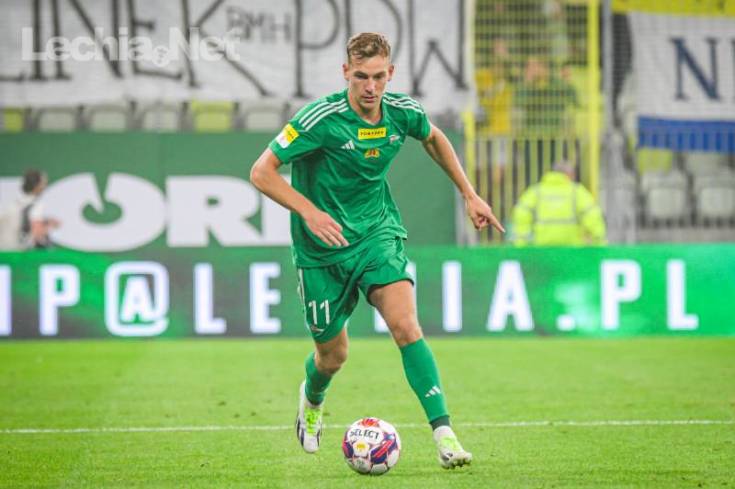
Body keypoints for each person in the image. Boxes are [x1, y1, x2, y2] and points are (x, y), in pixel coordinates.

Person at [249, 32, 503, 469]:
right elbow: (261, 171)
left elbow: (433, 137)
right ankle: (313, 398)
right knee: (333, 356)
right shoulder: (320, 119)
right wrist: (309, 212)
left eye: (379, 77)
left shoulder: (402, 112)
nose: (371, 87)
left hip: (377, 235)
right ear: (346, 72)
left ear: (391, 74)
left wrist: (469, 193)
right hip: (322, 250)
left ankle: (445, 436)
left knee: (405, 326)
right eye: (361, 77)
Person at [511, 161, 606, 246]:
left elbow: (521, 215)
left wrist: (521, 243)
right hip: (572, 251)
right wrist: (599, 241)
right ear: (569, 175)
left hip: (541, 250)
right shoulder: (577, 192)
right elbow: (592, 217)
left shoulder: (535, 192)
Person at [0, 169, 59, 250]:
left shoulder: (11, 201)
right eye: (43, 183)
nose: (45, 186)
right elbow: (37, 232)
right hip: (17, 252)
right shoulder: (36, 205)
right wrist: (49, 225)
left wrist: (45, 222)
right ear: (37, 186)